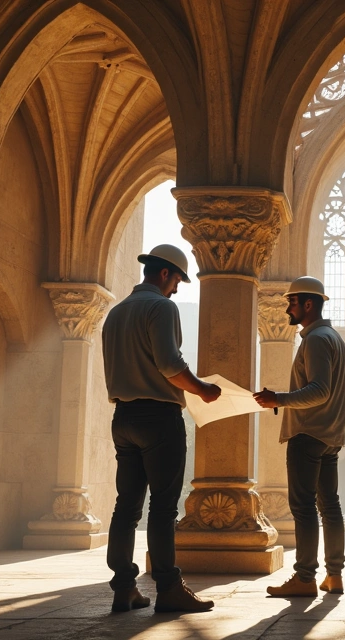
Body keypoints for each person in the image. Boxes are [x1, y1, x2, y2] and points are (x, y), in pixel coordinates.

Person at [101, 244, 222, 613]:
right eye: (178, 281)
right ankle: (169, 588)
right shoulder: (161, 307)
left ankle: (124, 587)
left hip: (123, 418)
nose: (178, 290)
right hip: (159, 419)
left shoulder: (116, 312)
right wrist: (203, 389)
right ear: (166, 274)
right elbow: (170, 365)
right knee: (163, 507)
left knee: (126, 507)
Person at [253, 276, 345, 597]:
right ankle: (333, 576)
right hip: (330, 436)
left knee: (305, 507)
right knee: (330, 506)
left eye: (291, 302)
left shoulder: (317, 340)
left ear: (308, 304)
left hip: (308, 434)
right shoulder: (334, 338)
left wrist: (278, 398)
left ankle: (305, 578)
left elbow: (319, 390)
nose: (286, 308)